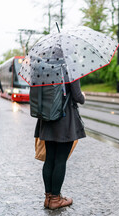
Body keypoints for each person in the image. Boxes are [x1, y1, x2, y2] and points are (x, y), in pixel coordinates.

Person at [34, 80, 86, 210]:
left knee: (49, 159)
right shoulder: (69, 67)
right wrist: (83, 96)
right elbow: (77, 97)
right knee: (60, 160)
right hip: (64, 119)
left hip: (46, 117)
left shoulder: (43, 65)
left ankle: (48, 198)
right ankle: (56, 200)